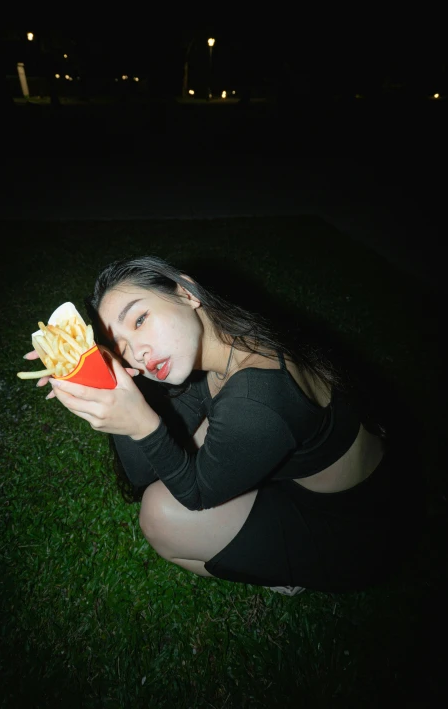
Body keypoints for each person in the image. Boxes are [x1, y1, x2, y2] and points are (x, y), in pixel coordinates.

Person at [24, 255, 426, 595]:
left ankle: (291, 574)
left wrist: (140, 424)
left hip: (355, 534)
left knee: (159, 516)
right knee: (182, 443)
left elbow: (193, 495)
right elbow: (143, 471)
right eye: (122, 346)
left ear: (186, 291)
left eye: (141, 319)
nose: (139, 353)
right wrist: (112, 382)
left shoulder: (260, 390)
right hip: (305, 484)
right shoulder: (222, 343)